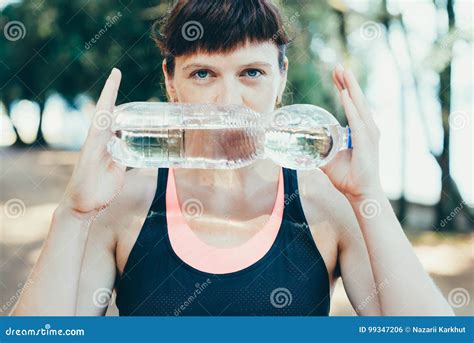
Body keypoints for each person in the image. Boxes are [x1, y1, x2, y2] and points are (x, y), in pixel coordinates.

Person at [11, 0, 454, 316]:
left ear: (281, 78)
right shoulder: (120, 205)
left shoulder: (330, 205)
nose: (229, 100)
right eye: (203, 73)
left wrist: (369, 196)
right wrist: (73, 214)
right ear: (171, 83)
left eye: (252, 73)